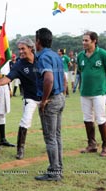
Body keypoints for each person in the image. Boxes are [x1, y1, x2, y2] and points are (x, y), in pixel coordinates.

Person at [0, 37, 39, 159]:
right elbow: (9, 77)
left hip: (45, 97)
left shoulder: (41, 59)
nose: (21, 51)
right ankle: (20, 149)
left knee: (48, 124)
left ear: (30, 48)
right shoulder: (19, 64)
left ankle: (51, 145)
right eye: (19, 49)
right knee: (25, 121)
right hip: (30, 98)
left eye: (23, 49)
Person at [34, 28, 65, 181]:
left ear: (38, 41)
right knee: (57, 136)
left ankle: (54, 171)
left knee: (50, 138)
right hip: (60, 97)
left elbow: (48, 79)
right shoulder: (55, 55)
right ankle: (58, 169)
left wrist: (44, 100)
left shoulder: (44, 57)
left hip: (51, 100)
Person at [77, 31, 106, 157]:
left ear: (94, 41)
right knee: (87, 118)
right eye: (83, 40)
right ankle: (92, 145)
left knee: (100, 118)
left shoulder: (103, 54)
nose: (84, 43)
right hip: (85, 92)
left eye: (86, 40)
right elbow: (81, 72)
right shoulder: (80, 56)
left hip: (99, 92)